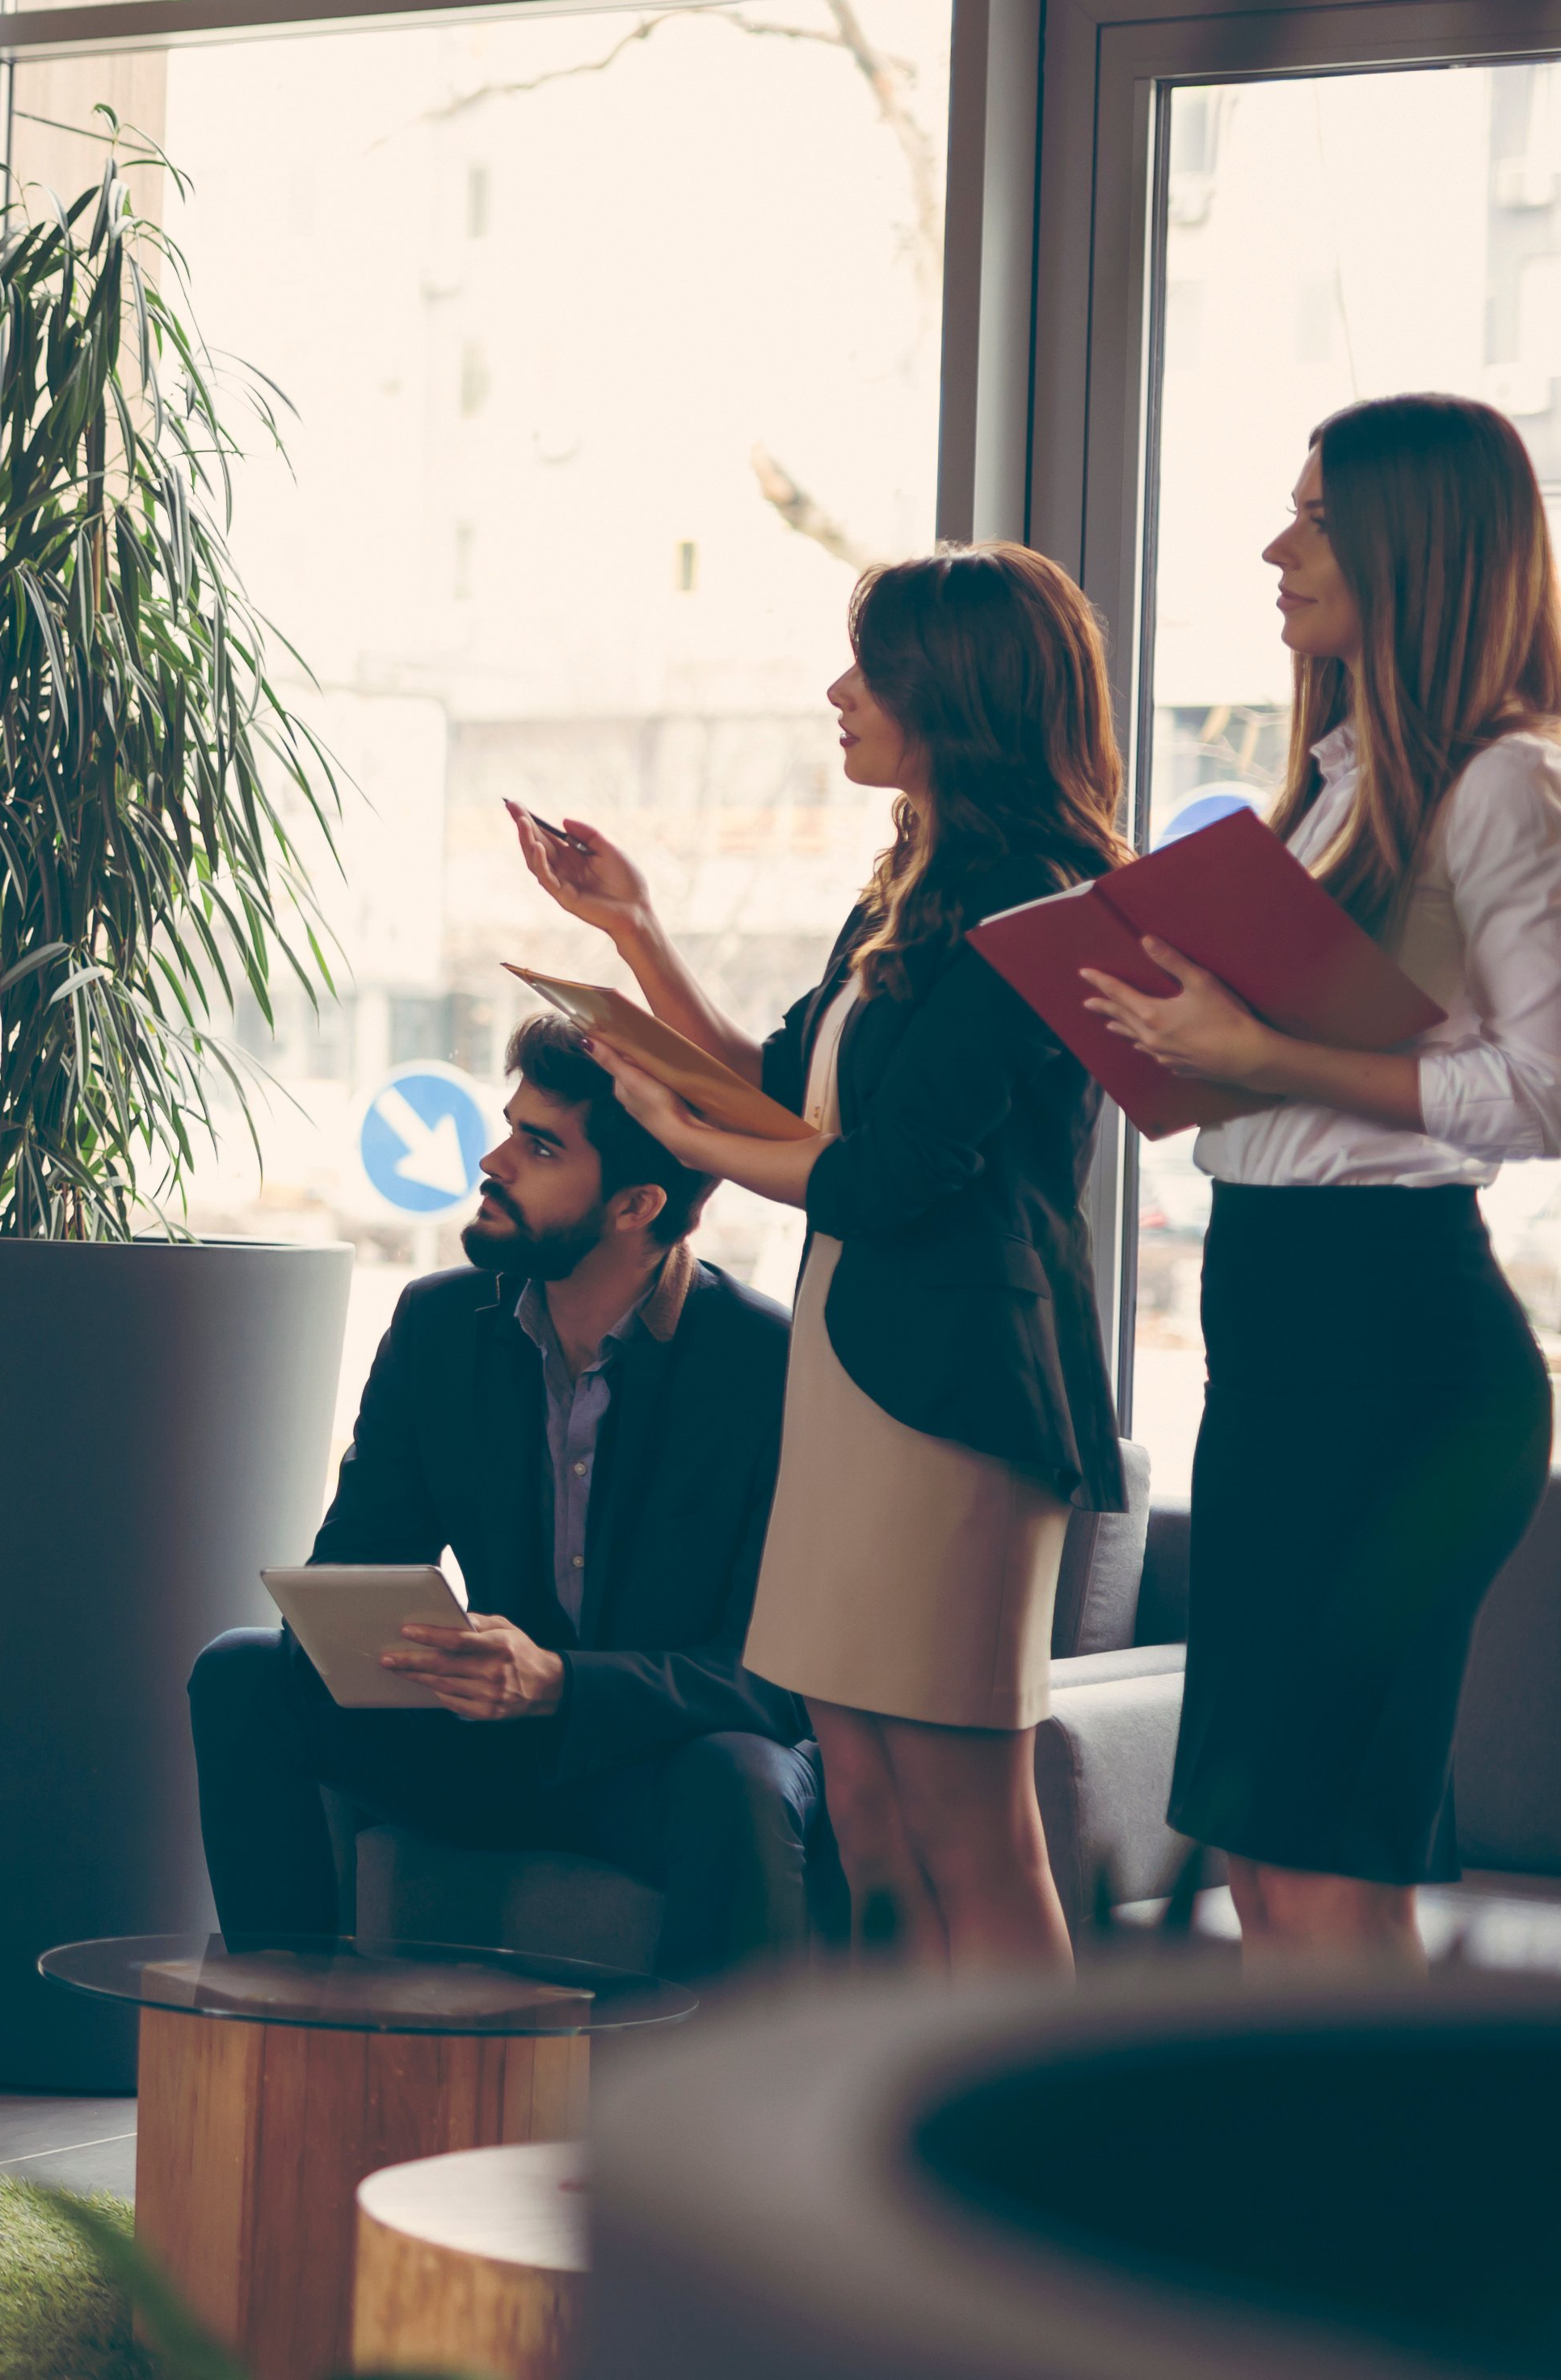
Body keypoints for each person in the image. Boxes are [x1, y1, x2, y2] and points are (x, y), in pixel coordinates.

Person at [519, 545, 1134, 1971]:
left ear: (957, 691)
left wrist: (685, 1133)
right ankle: (899, 2127)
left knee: (969, 1823)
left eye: (873, 666)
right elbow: (782, 1087)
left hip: (955, 1400)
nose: (836, 690)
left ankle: (1023, 2158)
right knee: (859, 1801)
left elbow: (889, 1173)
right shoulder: (909, 891)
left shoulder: (1038, 899)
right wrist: (632, 931)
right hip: (855, 1378)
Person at [1077, 394, 1561, 1965]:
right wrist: (1182, 1047)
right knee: (1266, 1857)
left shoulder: (1503, 787)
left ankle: (1386, 2208)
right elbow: (1303, 1081)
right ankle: (1321, 2198)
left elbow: (1544, 1094)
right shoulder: (1343, 780)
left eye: (1318, 521)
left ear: (1418, 548)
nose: (1277, 549)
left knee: (1327, 1852)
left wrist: (1263, 1055)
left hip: (1401, 1351)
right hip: (1280, 1336)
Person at [187, 1017, 819, 1981]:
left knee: (740, 1777)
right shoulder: (440, 1323)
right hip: (482, 1742)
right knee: (242, 1676)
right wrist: (410, 1644)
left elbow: (774, 1681)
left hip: (652, 1755)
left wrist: (561, 1684)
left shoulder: (764, 1364)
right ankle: (295, 2037)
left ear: (635, 1205)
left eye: (539, 1146)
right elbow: (356, 1561)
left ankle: (706, 2121)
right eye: (510, 1128)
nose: (492, 1160)